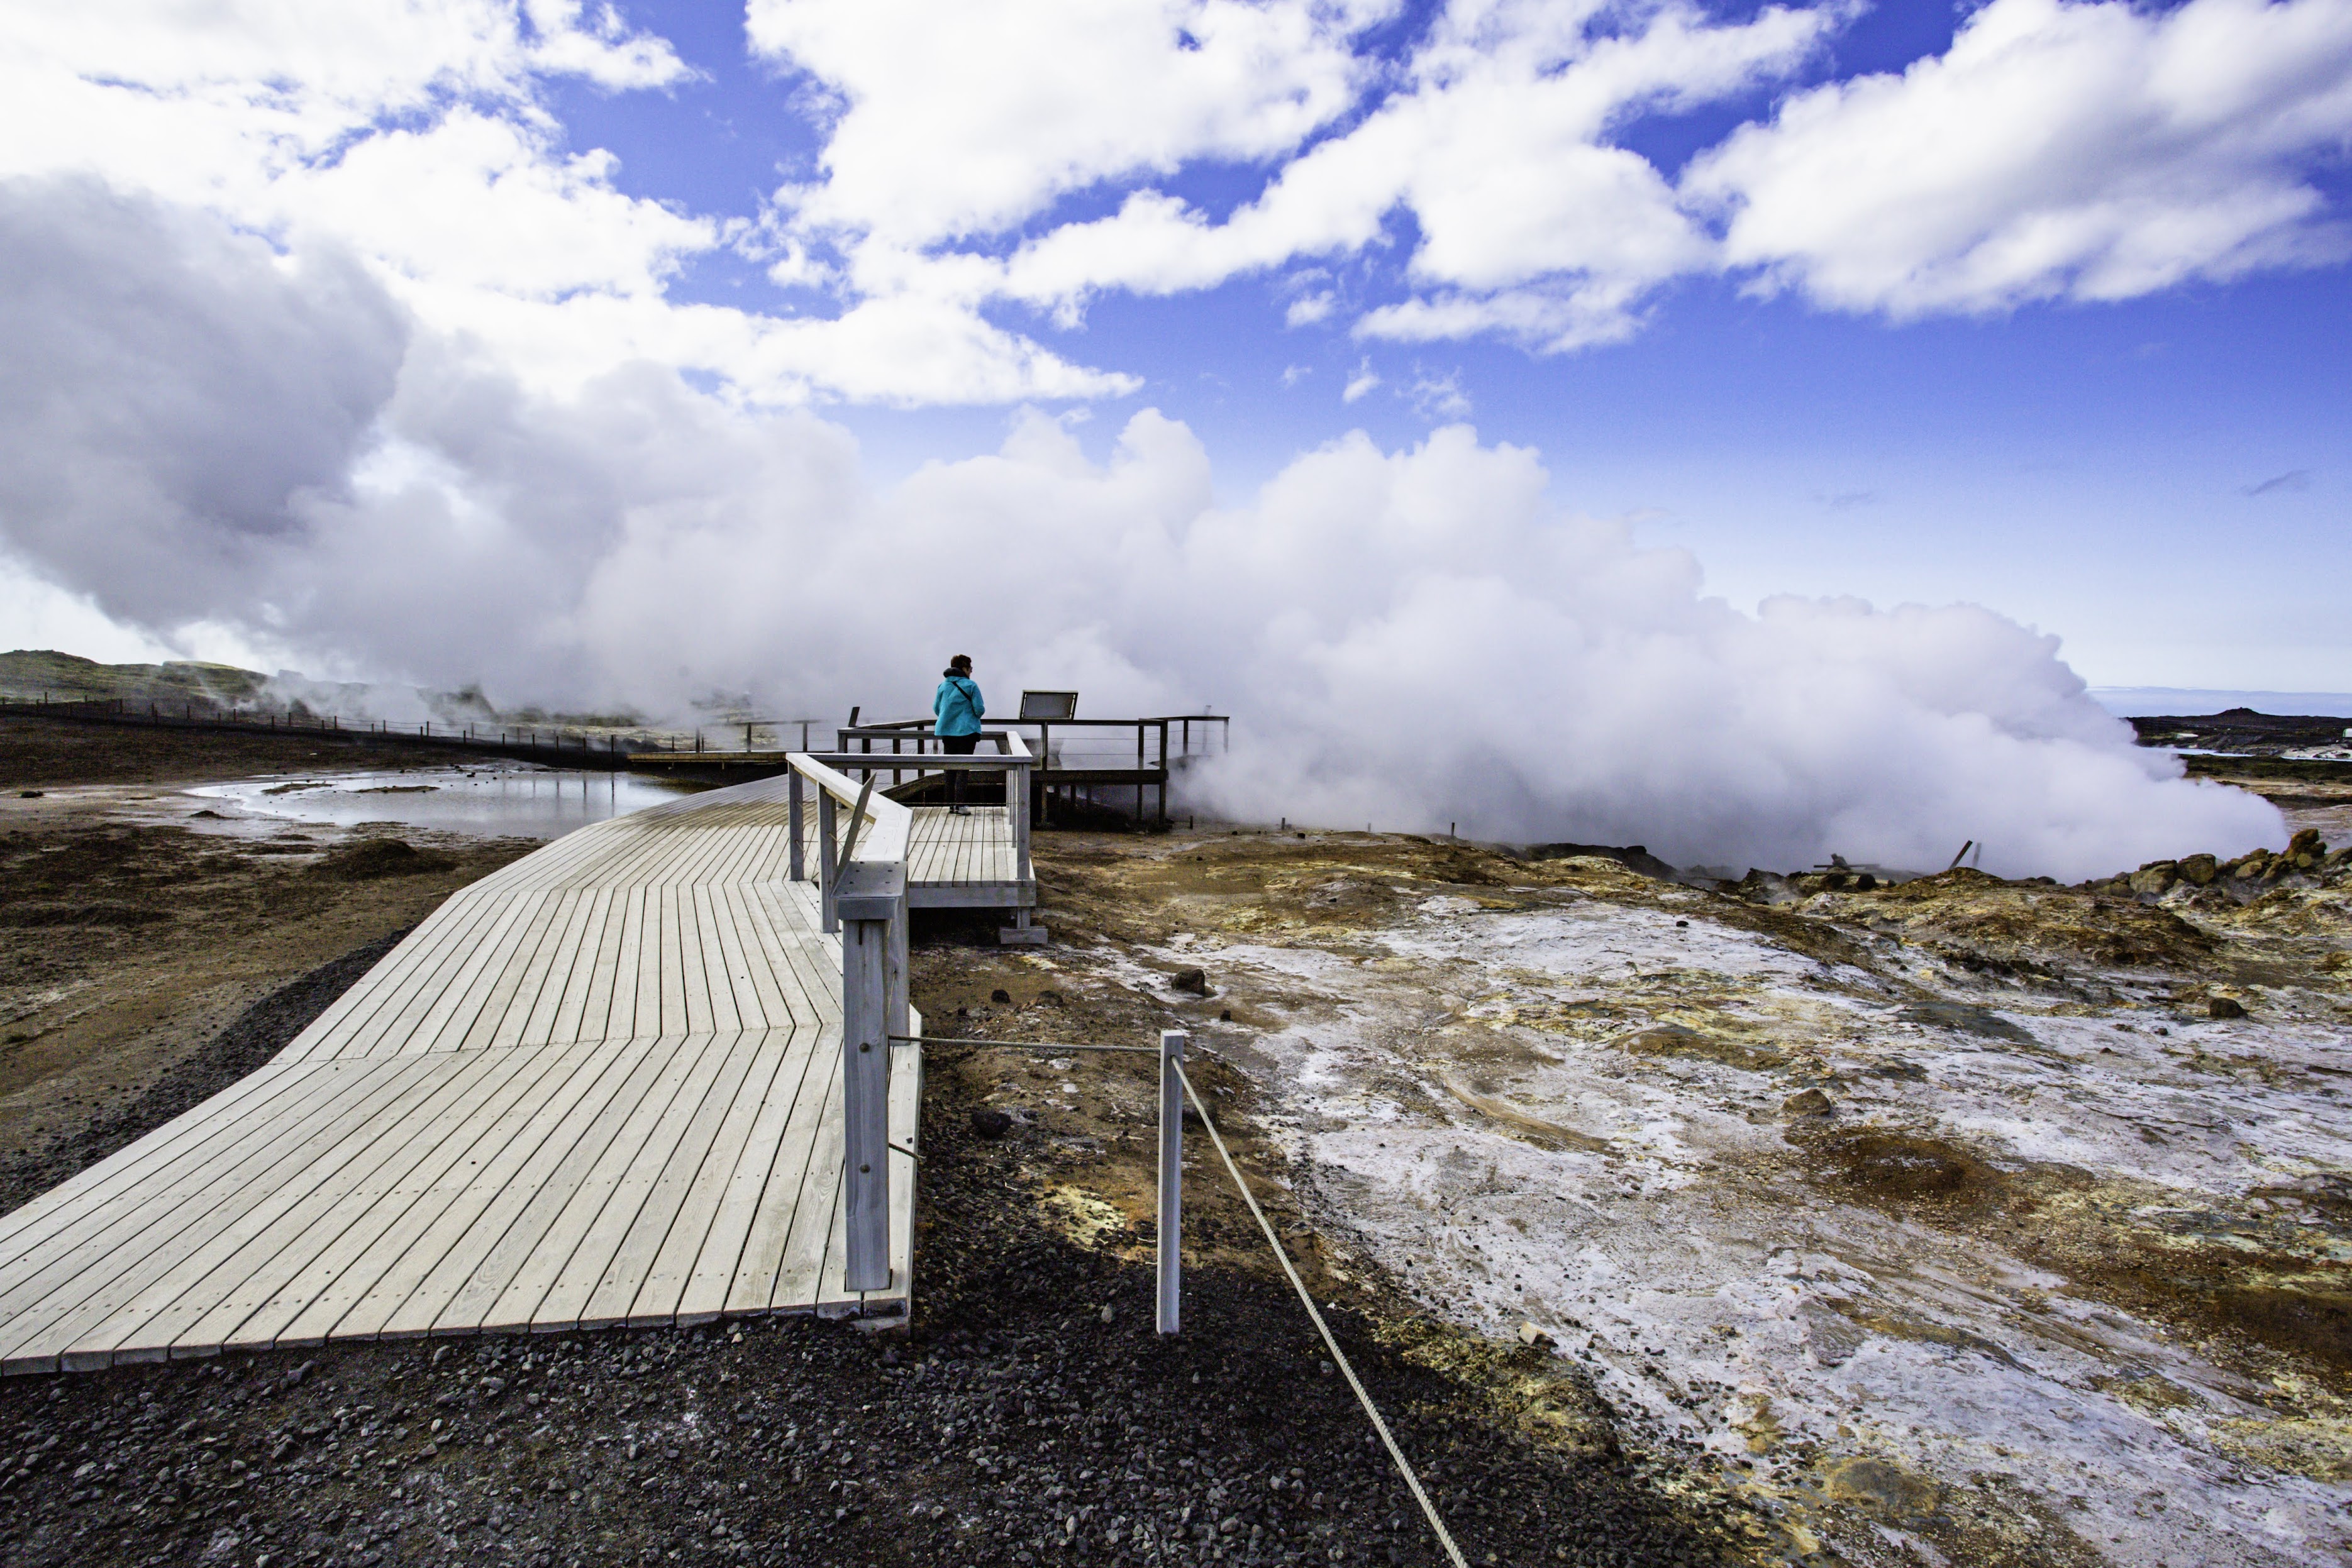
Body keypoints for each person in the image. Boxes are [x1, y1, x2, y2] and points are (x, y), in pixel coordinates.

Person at [933, 654, 984, 814]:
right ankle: (961, 805)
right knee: (963, 768)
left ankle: (951, 805)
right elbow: (980, 710)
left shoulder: (942, 686)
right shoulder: (971, 686)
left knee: (950, 768)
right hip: (967, 733)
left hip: (948, 733)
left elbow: (937, 709)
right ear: (964, 668)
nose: (971, 672)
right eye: (970, 668)